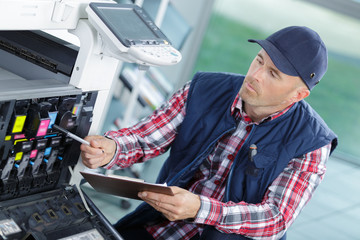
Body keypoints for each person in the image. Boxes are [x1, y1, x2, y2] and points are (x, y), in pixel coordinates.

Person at [80, 26, 338, 240]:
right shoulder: (204, 89)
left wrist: (201, 209)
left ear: (299, 94)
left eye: (273, 74)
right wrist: (112, 149)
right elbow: (145, 138)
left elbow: (275, 218)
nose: (256, 75)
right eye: (259, 60)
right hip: (163, 226)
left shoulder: (312, 143)